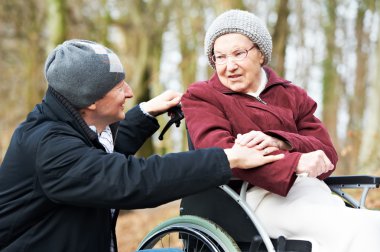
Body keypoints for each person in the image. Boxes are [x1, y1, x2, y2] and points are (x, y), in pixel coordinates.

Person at [0, 39, 285, 252]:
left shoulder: (71, 124)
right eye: (119, 88)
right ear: (91, 101)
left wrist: (147, 112)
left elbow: (101, 157)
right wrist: (226, 159)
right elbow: (130, 179)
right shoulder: (50, 149)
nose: (130, 92)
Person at [181, 9, 380, 252]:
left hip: (311, 191)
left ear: (261, 54)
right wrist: (294, 162)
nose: (229, 65)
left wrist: (281, 141)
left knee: (366, 227)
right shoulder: (203, 96)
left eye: (238, 54)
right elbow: (220, 154)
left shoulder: (291, 94)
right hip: (250, 199)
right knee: (363, 229)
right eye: (219, 57)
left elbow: (326, 152)